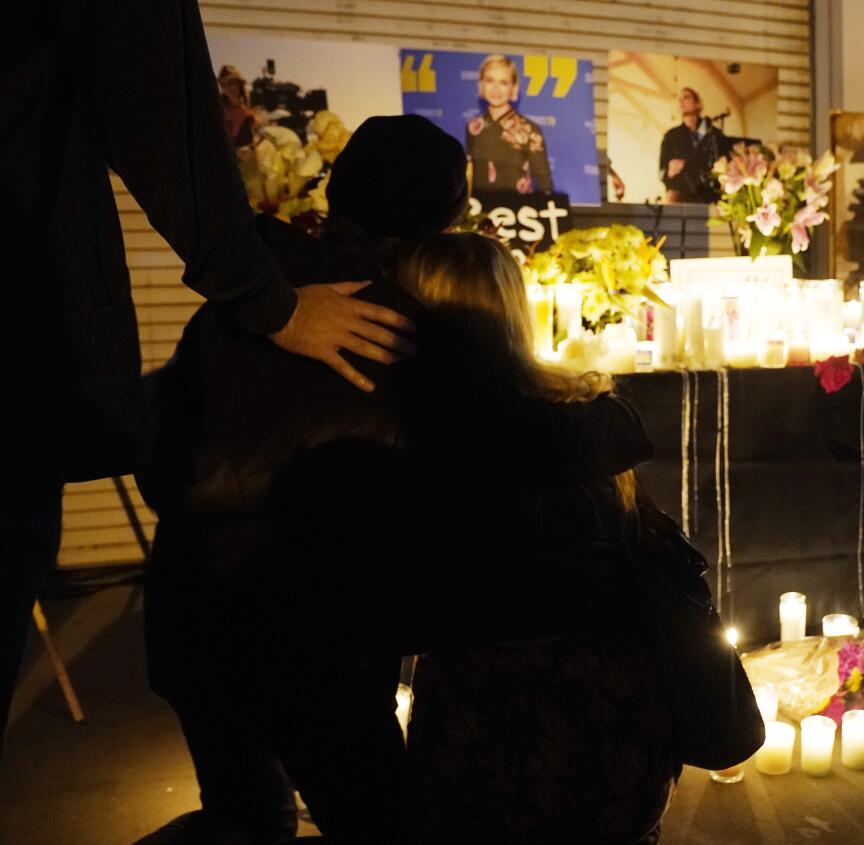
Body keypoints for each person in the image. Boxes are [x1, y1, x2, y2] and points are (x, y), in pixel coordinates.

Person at [134, 115, 657, 844]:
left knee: (248, 818)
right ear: (440, 223)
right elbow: (535, 443)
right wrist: (629, 419)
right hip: (313, 647)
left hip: (189, 619)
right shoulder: (400, 324)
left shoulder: (246, 303)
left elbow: (154, 453)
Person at [0, 0, 407, 762]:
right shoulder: (375, 326)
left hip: (190, 651)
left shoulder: (217, 335)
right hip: (313, 675)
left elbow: (166, 442)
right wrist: (269, 302)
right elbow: (160, 110)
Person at [399, 234, 677, 844]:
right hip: (599, 694)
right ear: (514, 307)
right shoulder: (579, 409)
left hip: (475, 707)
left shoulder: (397, 428)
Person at [466, 54, 553, 195]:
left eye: (503, 82)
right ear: (481, 84)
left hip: (518, 212)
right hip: (479, 212)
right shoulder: (473, 127)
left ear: (514, 88)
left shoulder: (530, 130)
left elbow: (544, 183)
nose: (496, 89)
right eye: (490, 80)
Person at [658, 87, 725, 204]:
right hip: (681, 198)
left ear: (697, 103)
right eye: (679, 99)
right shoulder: (671, 136)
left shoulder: (714, 134)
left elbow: (721, 165)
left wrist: (685, 164)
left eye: (686, 97)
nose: (681, 102)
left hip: (710, 197)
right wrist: (668, 171)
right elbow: (662, 172)